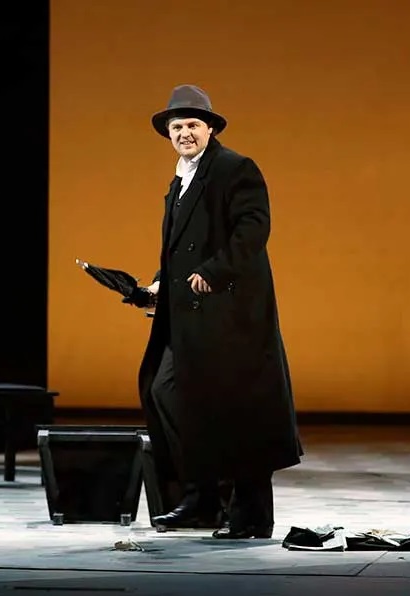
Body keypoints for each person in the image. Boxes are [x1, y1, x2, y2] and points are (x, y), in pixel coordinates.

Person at [133, 84, 302, 539]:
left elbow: (253, 229)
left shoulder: (233, 168)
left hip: (230, 316)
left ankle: (249, 516)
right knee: (168, 393)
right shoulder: (181, 180)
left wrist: (214, 271)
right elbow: (180, 249)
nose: (184, 133)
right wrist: (158, 285)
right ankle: (201, 497)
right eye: (177, 127)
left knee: (238, 411)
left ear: (209, 129)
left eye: (192, 125)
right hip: (191, 318)